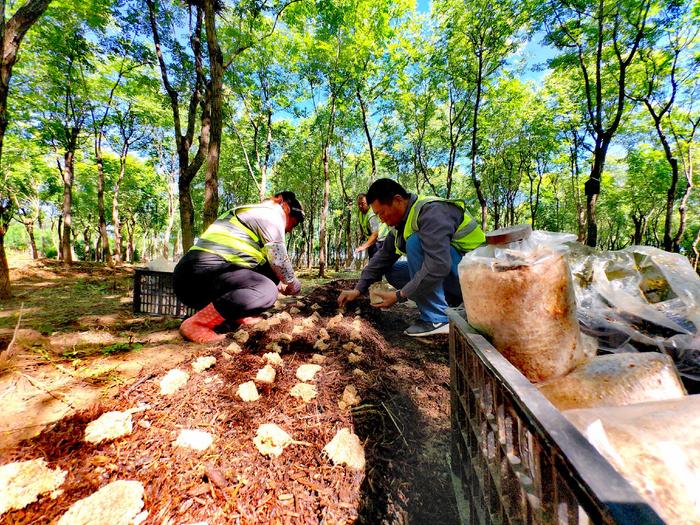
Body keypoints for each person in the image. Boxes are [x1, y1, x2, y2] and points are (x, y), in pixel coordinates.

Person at [338, 179, 485, 337]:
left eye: (381, 212)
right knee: (392, 270)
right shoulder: (400, 226)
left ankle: (437, 319)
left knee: (415, 242)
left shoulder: (432, 212)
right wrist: (358, 289)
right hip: (454, 274)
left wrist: (399, 295)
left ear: (398, 200)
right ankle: (450, 303)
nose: (381, 219)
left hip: (477, 279)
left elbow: (437, 265)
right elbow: (381, 259)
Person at [174, 191, 304, 343]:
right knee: (266, 291)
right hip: (197, 277)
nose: (289, 230)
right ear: (286, 207)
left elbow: (272, 266)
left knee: (270, 276)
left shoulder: (250, 213)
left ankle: (238, 314)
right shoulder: (271, 215)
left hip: (196, 277)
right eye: (292, 224)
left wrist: (281, 283)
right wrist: (293, 283)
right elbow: (279, 260)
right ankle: (197, 324)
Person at [355, 193, 389, 260]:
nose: (360, 206)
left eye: (362, 203)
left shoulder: (372, 215)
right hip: (372, 241)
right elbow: (362, 224)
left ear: (368, 203)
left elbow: (375, 234)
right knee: (372, 261)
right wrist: (362, 235)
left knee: (378, 264)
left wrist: (363, 246)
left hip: (381, 240)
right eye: (358, 204)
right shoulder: (359, 212)